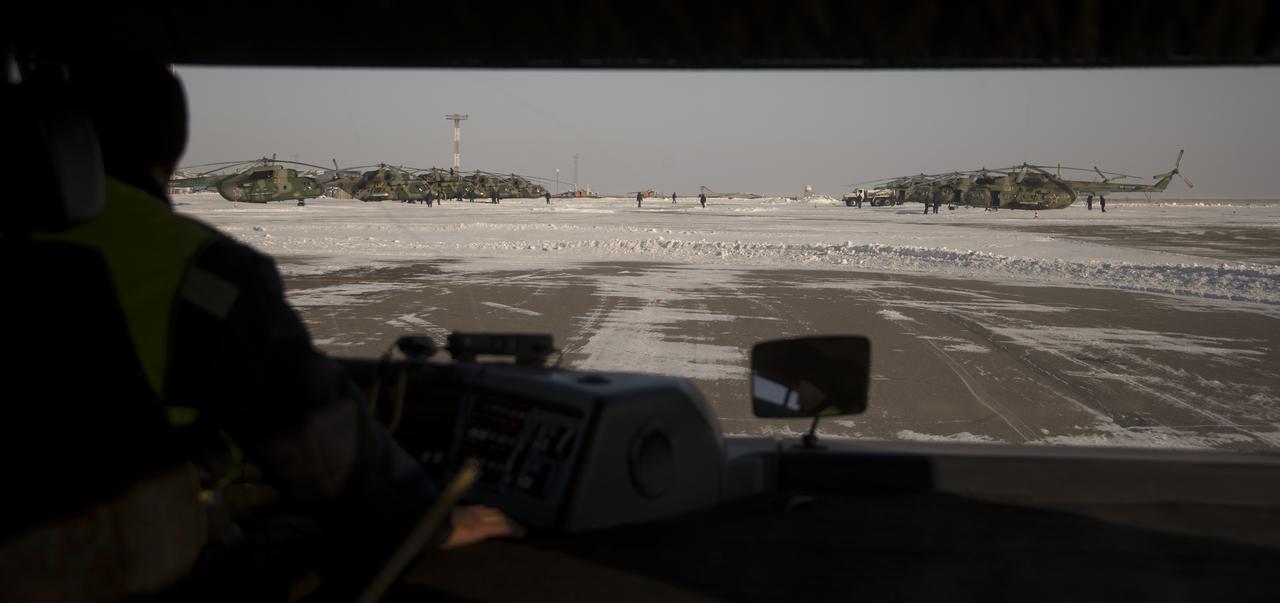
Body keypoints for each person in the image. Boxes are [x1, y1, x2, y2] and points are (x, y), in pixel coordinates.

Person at [12, 62, 521, 601]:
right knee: (310, 536)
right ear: (168, 150)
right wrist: (423, 521)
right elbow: (314, 439)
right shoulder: (198, 266)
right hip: (137, 560)